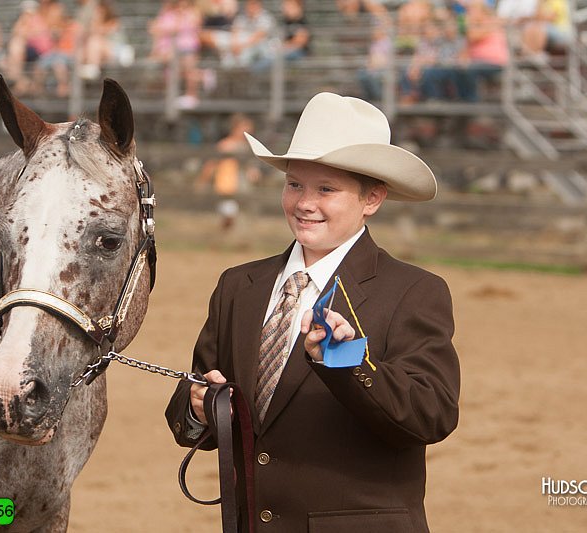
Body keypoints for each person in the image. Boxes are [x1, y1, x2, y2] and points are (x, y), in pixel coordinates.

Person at [166, 92, 461, 531]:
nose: (305, 203)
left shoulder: (414, 291)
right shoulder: (238, 286)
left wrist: (349, 363)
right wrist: (198, 408)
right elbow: (191, 412)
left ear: (373, 199)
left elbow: (432, 414)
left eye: (326, 189)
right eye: (295, 184)